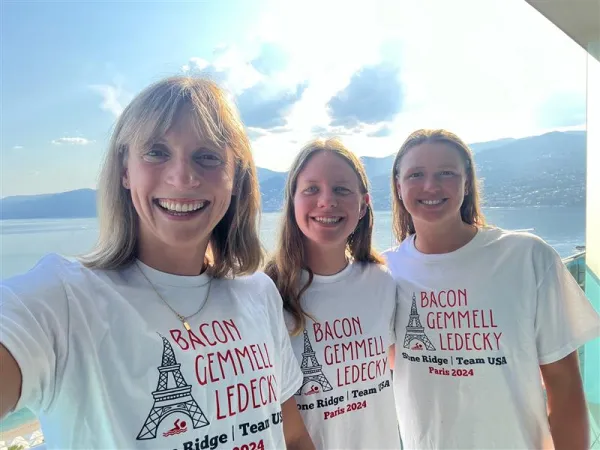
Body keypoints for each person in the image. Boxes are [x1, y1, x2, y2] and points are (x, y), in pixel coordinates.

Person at [0, 76, 314, 450]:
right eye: (156, 151)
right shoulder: (62, 302)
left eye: (208, 155)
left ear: (236, 177)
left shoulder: (258, 292)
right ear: (124, 170)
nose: (182, 176)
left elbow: (292, 436)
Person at [383, 128, 600, 449]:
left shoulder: (526, 256)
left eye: (446, 172)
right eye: (416, 174)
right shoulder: (385, 272)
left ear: (466, 182)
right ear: (398, 187)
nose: (430, 185)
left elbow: (565, 387)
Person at [264, 138, 401, 450]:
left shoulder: (383, 282)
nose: (327, 201)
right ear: (292, 201)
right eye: (311, 189)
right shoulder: (267, 293)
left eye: (341, 189)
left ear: (364, 204)